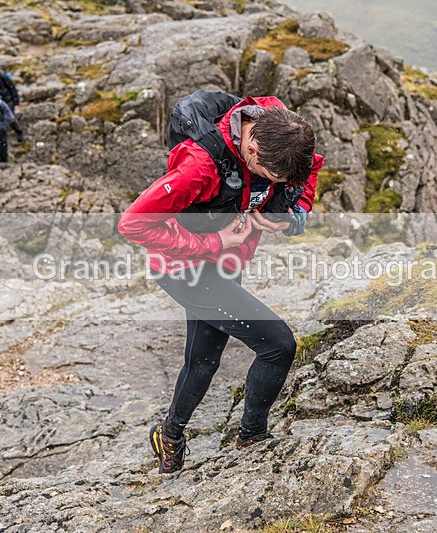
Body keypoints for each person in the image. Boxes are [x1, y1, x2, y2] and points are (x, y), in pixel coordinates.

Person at [118, 95, 323, 474]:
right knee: (278, 346)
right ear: (252, 147)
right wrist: (213, 243)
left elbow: (308, 174)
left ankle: (169, 437)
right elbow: (133, 223)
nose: (272, 186)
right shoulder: (198, 167)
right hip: (185, 270)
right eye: (270, 178)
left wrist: (293, 215)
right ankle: (252, 440)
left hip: (227, 260)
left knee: (203, 361)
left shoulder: (281, 126)